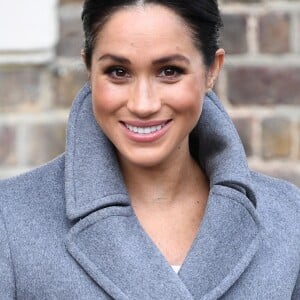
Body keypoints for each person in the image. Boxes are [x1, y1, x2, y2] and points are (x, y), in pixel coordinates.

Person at [0, 0, 299, 298]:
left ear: (212, 70)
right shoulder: (11, 221)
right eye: (118, 72)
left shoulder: (288, 218)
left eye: (169, 71)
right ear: (88, 69)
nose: (143, 104)